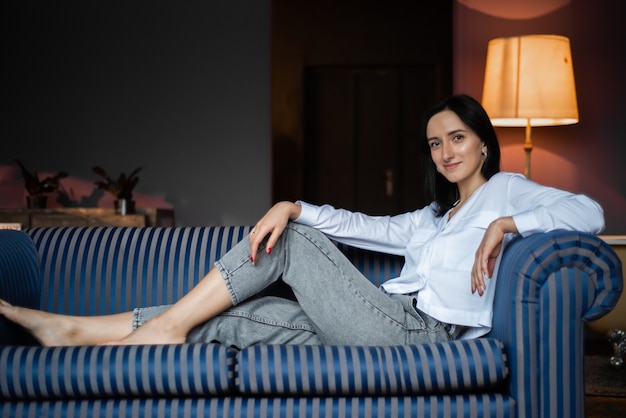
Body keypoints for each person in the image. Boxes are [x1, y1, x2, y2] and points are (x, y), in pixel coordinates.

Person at [0, 94, 604, 347]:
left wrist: (507, 227)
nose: (445, 152)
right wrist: (296, 201)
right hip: (384, 322)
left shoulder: (507, 190)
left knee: (290, 240)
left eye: (457, 138)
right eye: (433, 143)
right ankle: (73, 330)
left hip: (424, 335)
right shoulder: (432, 218)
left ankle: (158, 329)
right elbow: (360, 224)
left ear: (483, 144)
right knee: (231, 320)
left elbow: (590, 213)